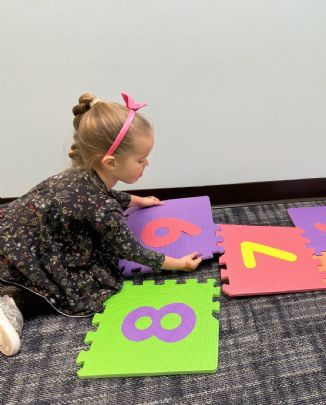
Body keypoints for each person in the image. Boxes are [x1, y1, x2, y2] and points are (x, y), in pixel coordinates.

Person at [0, 92, 202, 356]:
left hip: (17, 228)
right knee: (84, 289)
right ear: (111, 162)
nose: (146, 164)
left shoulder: (85, 175)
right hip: (33, 247)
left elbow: (100, 196)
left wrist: (138, 200)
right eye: (140, 160)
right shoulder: (102, 208)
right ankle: (11, 303)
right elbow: (132, 250)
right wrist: (180, 264)